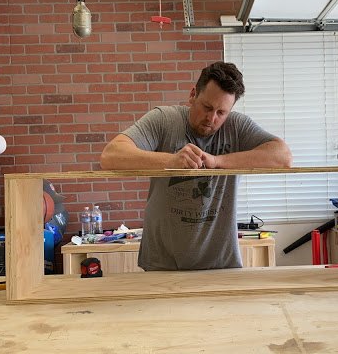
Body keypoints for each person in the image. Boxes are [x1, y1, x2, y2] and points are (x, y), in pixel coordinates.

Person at [100, 61, 292, 271]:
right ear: (193, 95)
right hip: (162, 264)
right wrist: (171, 162)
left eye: (221, 112)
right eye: (207, 107)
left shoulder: (237, 126)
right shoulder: (164, 120)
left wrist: (218, 162)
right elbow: (111, 155)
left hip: (220, 265)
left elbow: (282, 157)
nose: (212, 118)